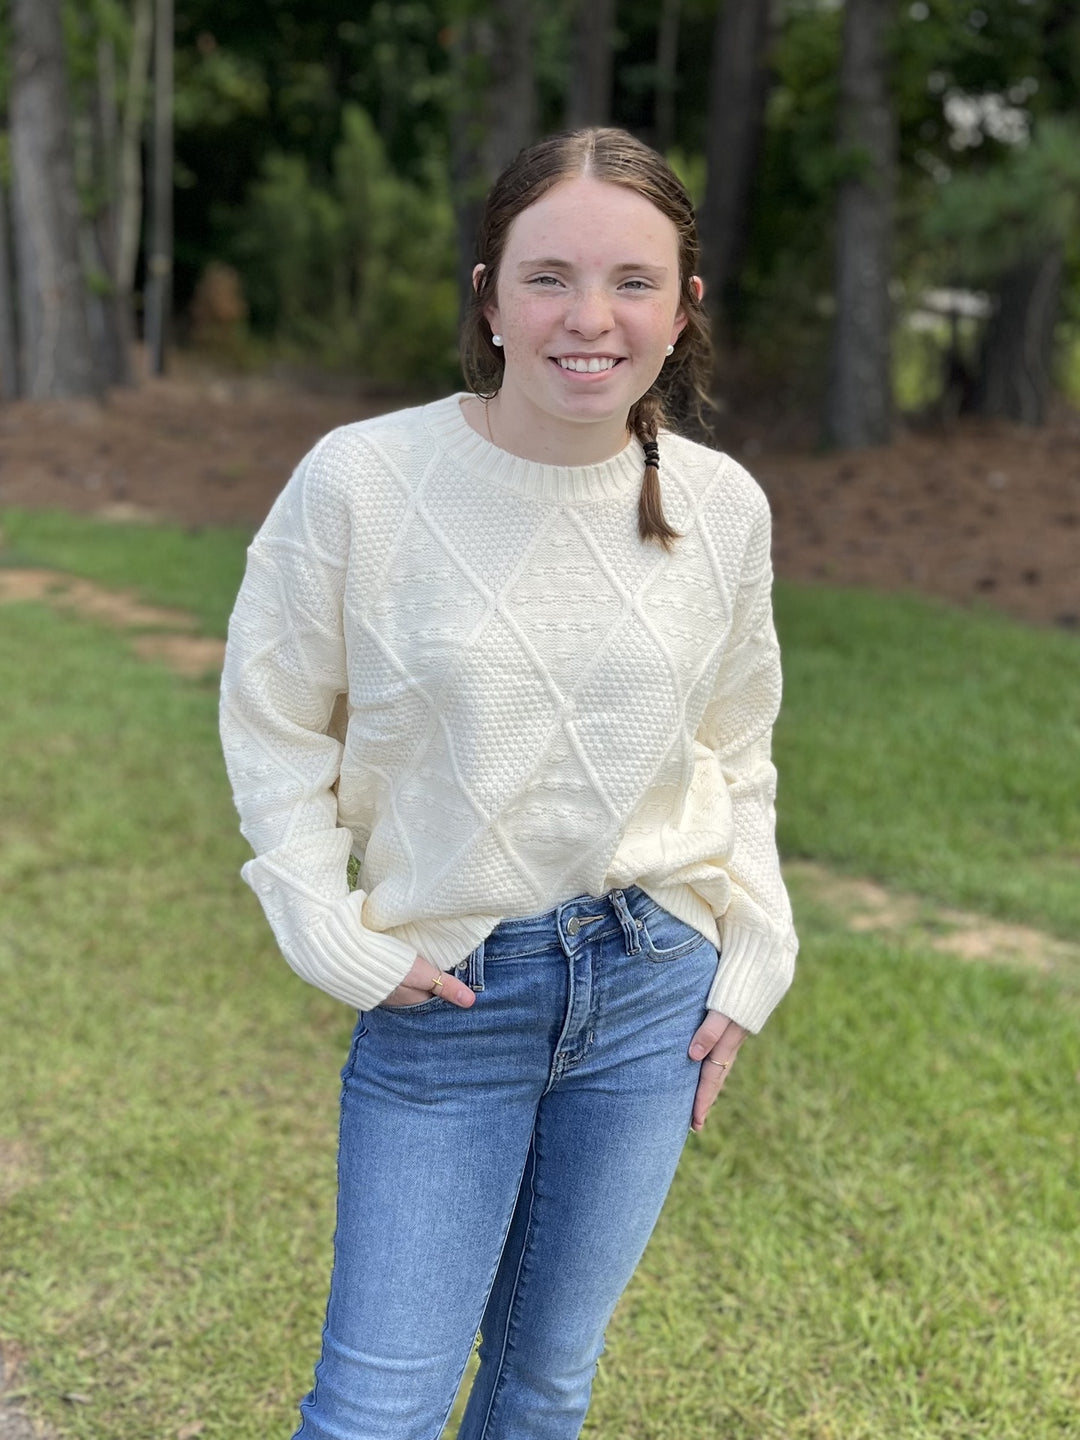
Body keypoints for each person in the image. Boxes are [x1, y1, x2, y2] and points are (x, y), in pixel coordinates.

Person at [220, 126, 797, 1440]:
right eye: (547, 277)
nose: (589, 318)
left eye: (633, 281)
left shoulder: (721, 508)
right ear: (488, 295)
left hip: (655, 986)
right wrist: (320, 918)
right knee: (377, 1408)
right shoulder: (364, 481)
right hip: (454, 990)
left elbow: (737, 747)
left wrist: (753, 951)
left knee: (543, 1391)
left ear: (684, 307)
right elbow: (272, 719)